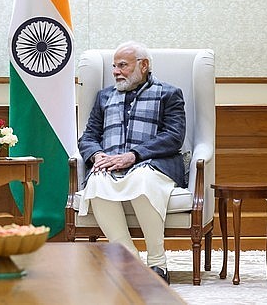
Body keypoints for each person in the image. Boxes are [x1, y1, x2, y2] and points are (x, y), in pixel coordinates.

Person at [77, 41, 186, 284]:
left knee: (142, 179)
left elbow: (174, 136)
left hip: (154, 166)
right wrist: (97, 155)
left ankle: (158, 262)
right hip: (111, 165)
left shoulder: (169, 93)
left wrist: (134, 155)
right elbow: (88, 136)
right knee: (95, 181)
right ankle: (129, 261)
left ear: (143, 65)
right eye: (114, 66)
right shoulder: (104, 96)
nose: (116, 71)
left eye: (122, 66)